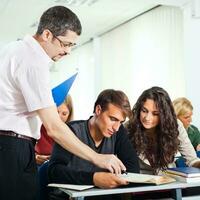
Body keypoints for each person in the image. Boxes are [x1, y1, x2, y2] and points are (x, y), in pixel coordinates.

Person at [0, 6, 125, 200]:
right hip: (12, 146)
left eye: (72, 45)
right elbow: (54, 128)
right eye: (65, 44)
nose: (68, 51)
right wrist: (97, 157)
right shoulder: (33, 60)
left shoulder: (13, 49)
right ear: (47, 34)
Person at [48, 89, 140, 200]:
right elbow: (54, 172)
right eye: (112, 119)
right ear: (98, 110)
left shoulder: (118, 132)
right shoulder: (71, 131)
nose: (116, 127)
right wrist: (94, 178)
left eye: (121, 122)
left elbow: (133, 169)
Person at [126, 86, 200, 175]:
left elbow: (192, 160)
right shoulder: (127, 128)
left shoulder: (175, 125)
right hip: (140, 184)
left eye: (155, 114)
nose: (147, 118)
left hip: (169, 181)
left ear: (164, 115)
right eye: (144, 111)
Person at [35, 95, 74, 165]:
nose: (58, 117)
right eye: (56, 112)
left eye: (64, 114)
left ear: (69, 115)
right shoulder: (37, 127)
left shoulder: (73, 133)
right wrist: (36, 158)